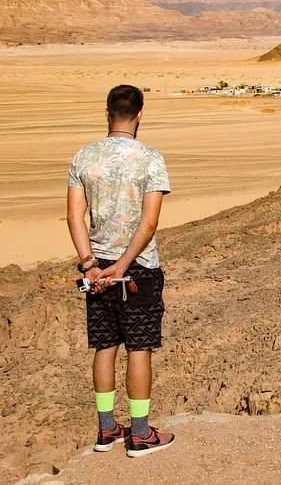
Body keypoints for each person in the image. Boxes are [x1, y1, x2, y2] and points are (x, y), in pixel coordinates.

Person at [67, 84, 175, 458]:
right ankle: (141, 434)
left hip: (96, 273)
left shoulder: (84, 157)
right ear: (140, 114)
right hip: (138, 270)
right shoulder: (150, 159)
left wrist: (90, 264)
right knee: (140, 348)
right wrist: (121, 266)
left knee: (105, 346)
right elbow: (148, 224)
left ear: (107, 112)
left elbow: (74, 216)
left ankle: (106, 429)